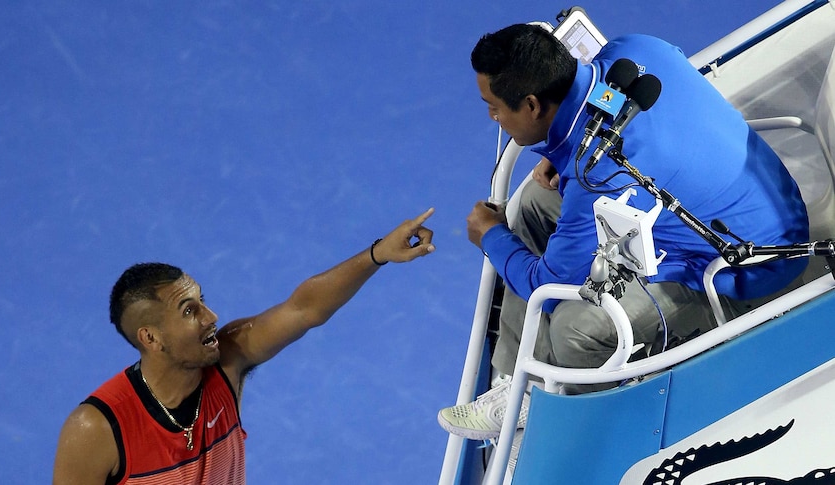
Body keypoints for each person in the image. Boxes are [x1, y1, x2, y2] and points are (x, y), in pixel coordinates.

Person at [437, 23, 809, 441]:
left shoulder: (597, 171)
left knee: (574, 330)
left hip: (746, 265)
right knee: (535, 207)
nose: (493, 118)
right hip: (752, 201)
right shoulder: (635, 47)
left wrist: (490, 235)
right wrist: (565, 153)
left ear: (532, 104)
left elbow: (549, 281)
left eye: (494, 108)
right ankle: (517, 383)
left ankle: (587, 431)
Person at [52, 209, 435, 484]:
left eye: (202, 300)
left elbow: (304, 308)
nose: (211, 316)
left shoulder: (227, 360)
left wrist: (377, 254)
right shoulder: (96, 429)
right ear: (150, 338)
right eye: (190, 311)